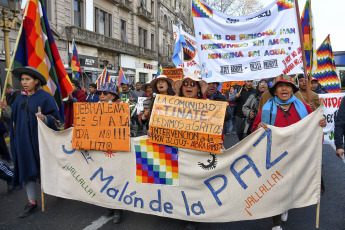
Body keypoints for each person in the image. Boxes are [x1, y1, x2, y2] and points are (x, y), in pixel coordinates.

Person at [252, 77, 326, 230]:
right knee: (275, 188)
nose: (284, 89)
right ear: (275, 91)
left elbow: (314, 127)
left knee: (289, 187)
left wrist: (320, 123)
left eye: (288, 86)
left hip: (296, 155)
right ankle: (277, 223)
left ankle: (285, 205)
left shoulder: (303, 107)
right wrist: (259, 127)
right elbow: (254, 131)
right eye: (280, 86)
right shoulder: (266, 108)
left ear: (293, 89)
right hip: (273, 157)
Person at [0, 66, 60, 218]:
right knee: (27, 169)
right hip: (22, 141)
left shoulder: (45, 97)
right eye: (22, 79)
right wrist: (7, 110)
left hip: (40, 141)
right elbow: (13, 118)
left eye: (27, 79)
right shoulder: (19, 97)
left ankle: (59, 189)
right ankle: (32, 202)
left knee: (46, 168)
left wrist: (45, 119)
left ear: (36, 81)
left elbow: (56, 120)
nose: (24, 82)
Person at [173, 73, 208, 230]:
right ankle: (180, 209)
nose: (188, 86)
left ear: (199, 89)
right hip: (177, 151)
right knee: (179, 183)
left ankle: (193, 216)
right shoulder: (172, 103)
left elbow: (220, 121)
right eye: (185, 84)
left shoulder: (207, 104)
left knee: (195, 183)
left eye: (193, 84)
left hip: (197, 152)